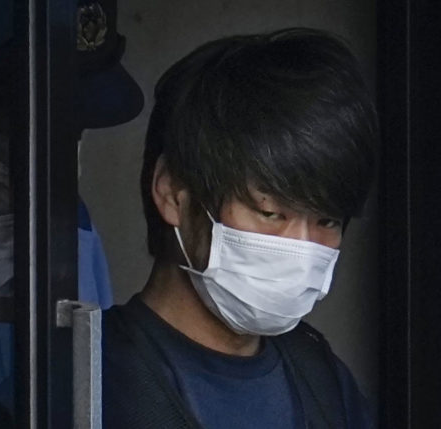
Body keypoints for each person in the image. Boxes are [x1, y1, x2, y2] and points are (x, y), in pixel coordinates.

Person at [102, 28, 378, 428]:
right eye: (271, 213)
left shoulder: (321, 380)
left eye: (326, 220)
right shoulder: (89, 383)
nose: (300, 248)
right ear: (173, 192)